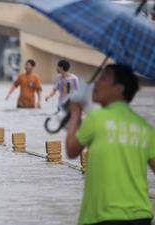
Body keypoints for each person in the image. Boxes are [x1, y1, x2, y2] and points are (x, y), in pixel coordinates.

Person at [66, 64, 155, 225]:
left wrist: (75, 114)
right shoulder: (146, 129)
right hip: (141, 216)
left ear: (119, 89)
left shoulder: (96, 118)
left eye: (104, 77)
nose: (97, 83)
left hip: (103, 216)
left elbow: (72, 149)